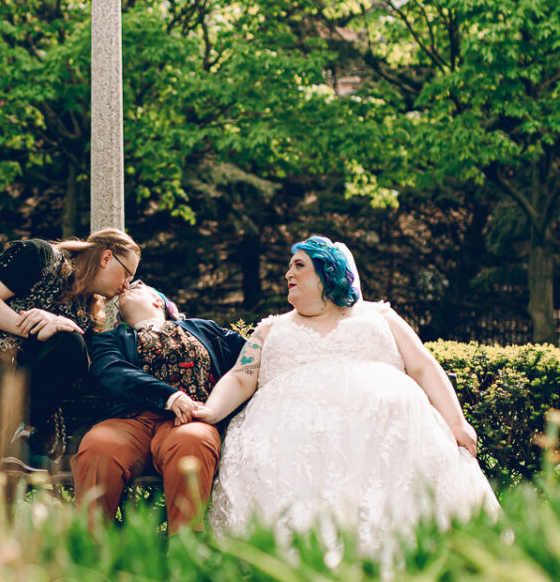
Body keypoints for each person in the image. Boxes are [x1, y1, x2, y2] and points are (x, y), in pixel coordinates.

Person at [193, 235, 498, 563]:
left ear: (327, 271)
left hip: (386, 440)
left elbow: (423, 366)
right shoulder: (271, 328)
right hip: (293, 448)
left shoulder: (379, 316)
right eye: (288, 267)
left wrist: (456, 422)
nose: (287, 274)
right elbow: (242, 376)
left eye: (299, 265)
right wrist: (211, 410)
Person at [0, 228, 140, 480]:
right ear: (106, 258)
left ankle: (20, 437)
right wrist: (36, 328)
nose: (125, 286)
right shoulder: (39, 255)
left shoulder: (85, 312)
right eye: (127, 273)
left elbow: (76, 364)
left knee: (72, 344)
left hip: (22, 395)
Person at [71, 281, 245, 533]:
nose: (126, 288)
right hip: (130, 420)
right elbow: (110, 370)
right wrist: (170, 396)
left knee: (192, 442)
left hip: (190, 419)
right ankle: (90, 548)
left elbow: (251, 354)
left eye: (136, 287)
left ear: (158, 301)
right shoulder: (110, 339)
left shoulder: (203, 329)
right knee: (99, 447)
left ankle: (184, 547)